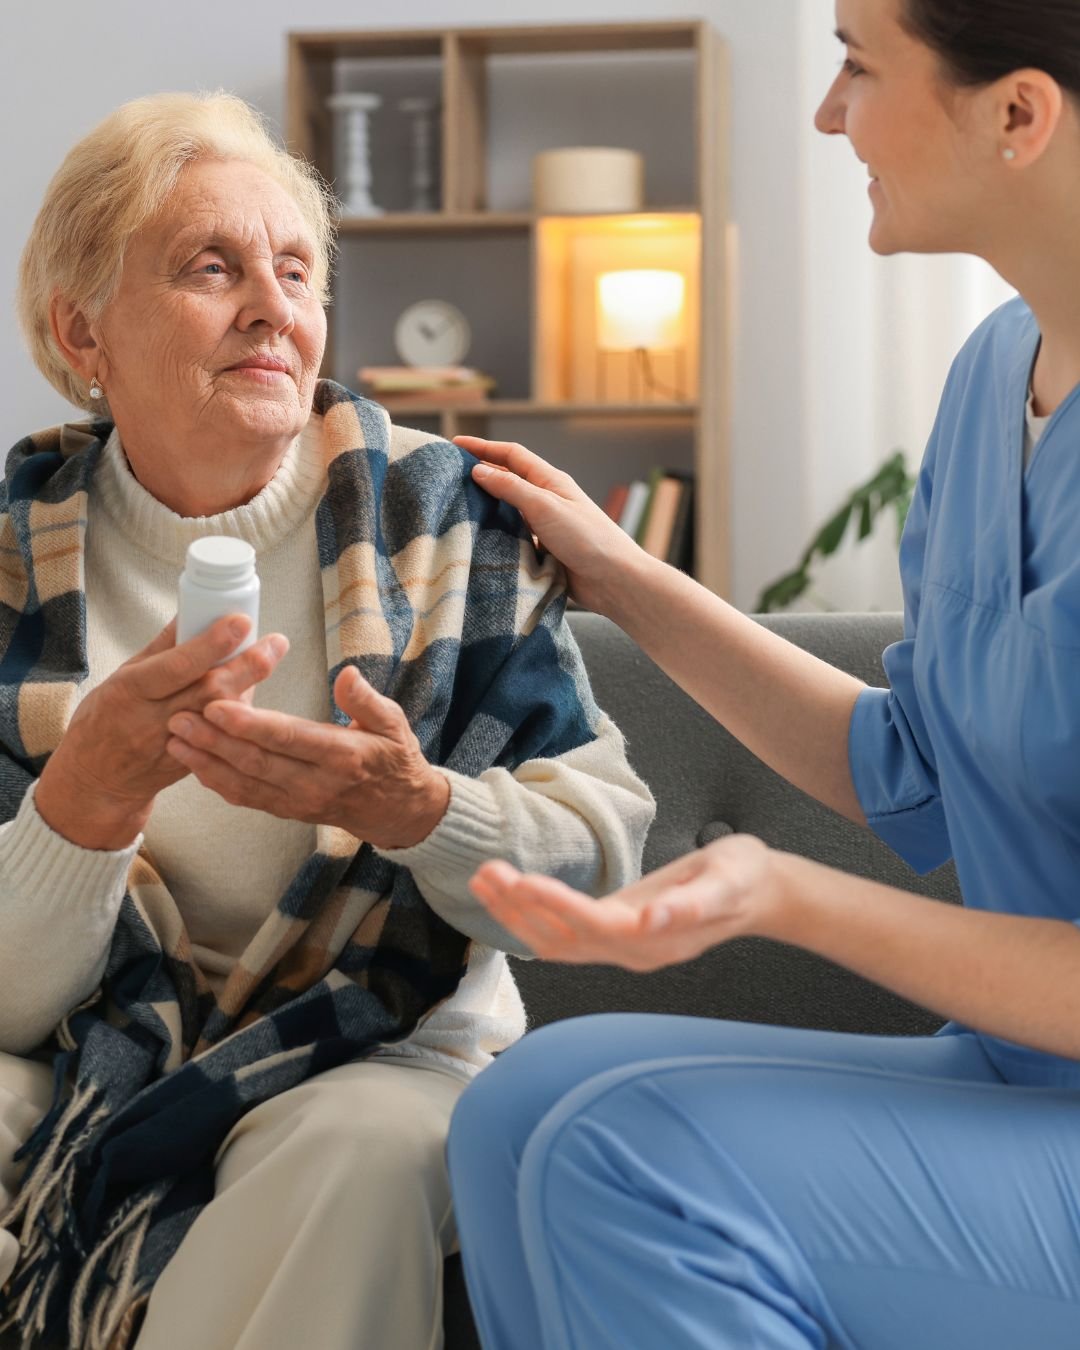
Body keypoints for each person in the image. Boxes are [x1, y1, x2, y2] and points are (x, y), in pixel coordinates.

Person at [446, 1, 1080, 1346]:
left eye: (859, 64)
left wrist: (788, 895)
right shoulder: (991, 382)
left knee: (629, 1157)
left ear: (1019, 113)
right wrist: (618, 572)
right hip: (1025, 1078)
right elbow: (906, 760)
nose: (825, 112)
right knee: (516, 1106)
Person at [0, 92, 653, 1350]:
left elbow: (608, 849)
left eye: (295, 270)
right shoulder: (11, 569)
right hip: (88, 1053)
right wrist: (75, 807)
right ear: (83, 329)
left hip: (384, 1054)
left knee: (351, 1159)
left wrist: (422, 812)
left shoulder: (448, 525)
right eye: (211, 266)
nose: (272, 307)